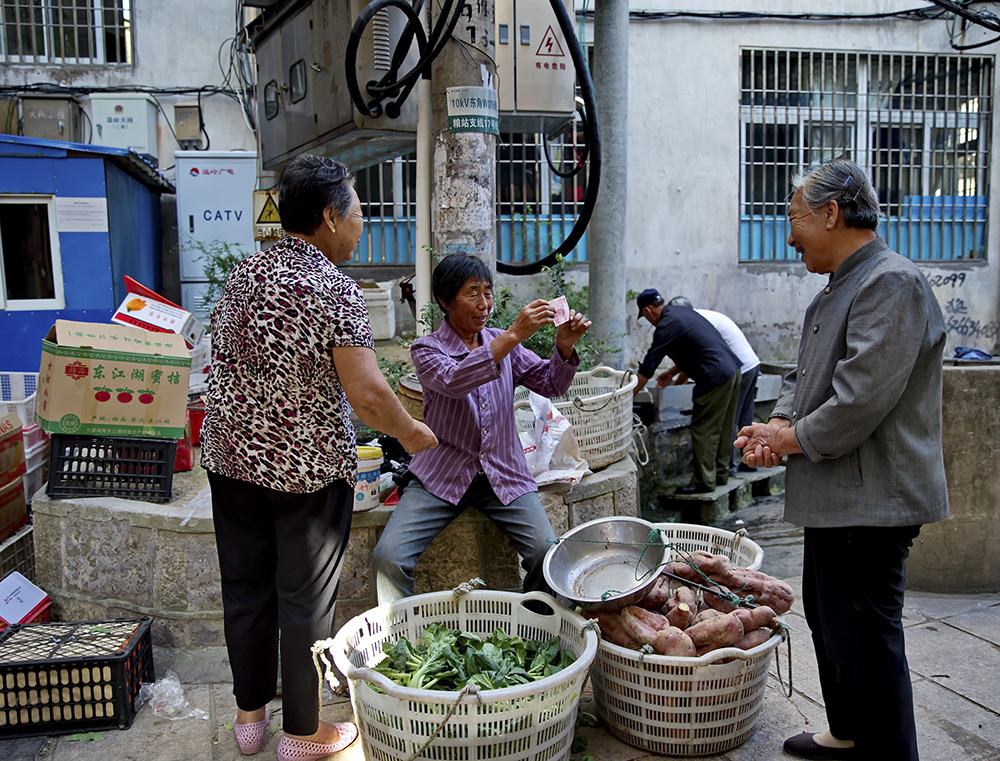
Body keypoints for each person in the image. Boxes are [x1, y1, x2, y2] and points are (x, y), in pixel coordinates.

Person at [200, 155, 438, 761]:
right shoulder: (334, 288)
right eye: (359, 212)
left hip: (230, 460)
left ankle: (249, 719)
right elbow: (366, 391)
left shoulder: (244, 274)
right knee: (304, 598)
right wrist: (412, 433)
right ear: (330, 218)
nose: (362, 223)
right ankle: (302, 735)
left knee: (247, 588)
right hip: (302, 470)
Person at [735, 159, 949, 761]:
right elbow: (804, 380)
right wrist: (777, 424)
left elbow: (858, 400)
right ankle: (848, 732)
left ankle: (885, 751)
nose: (788, 235)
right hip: (839, 495)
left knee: (866, 635)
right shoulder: (839, 287)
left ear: (832, 213)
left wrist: (785, 441)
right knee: (832, 625)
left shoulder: (890, 283)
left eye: (795, 218)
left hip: (874, 498)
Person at [371, 253, 591, 605]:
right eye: (472, 293)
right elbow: (455, 380)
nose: (484, 303)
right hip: (440, 476)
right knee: (387, 558)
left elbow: (550, 384)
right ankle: (400, 638)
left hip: (504, 472)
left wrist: (564, 346)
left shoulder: (503, 343)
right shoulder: (427, 349)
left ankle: (533, 628)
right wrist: (515, 333)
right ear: (445, 301)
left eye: (488, 292)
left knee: (546, 555)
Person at [634, 289, 741, 494]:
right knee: (724, 426)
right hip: (732, 371)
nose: (648, 321)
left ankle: (703, 482)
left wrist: (628, 395)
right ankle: (720, 474)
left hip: (714, 377)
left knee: (704, 429)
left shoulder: (666, 325)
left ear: (648, 310)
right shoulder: (681, 313)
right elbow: (700, 344)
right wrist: (674, 372)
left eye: (645, 317)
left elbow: (647, 367)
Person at [667, 296, 761, 475]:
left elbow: (703, 353)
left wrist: (677, 377)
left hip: (738, 368)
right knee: (744, 419)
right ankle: (749, 462)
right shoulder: (701, 317)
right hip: (751, 364)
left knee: (728, 420)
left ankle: (728, 466)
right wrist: (673, 375)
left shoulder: (695, 322)